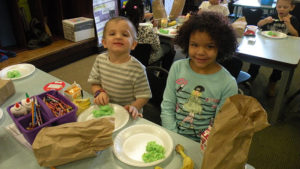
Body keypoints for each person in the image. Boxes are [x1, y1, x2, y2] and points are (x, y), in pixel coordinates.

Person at [160, 12, 238, 142]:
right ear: (187, 43)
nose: (201, 52)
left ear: (221, 47)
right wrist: (173, 136)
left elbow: (221, 124)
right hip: (173, 136)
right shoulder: (177, 68)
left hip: (205, 145)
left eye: (210, 46)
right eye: (194, 45)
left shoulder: (228, 83)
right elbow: (167, 106)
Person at [88, 16, 152, 119]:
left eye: (125, 34)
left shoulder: (138, 69)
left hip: (128, 113)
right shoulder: (100, 60)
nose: (118, 37)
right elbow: (95, 83)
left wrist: (134, 107)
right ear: (104, 42)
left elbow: (144, 96)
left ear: (133, 44)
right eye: (112, 34)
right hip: (106, 108)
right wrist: (99, 92)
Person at [247, 0, 299, 97]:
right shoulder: (271, 16)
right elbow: (258, 24)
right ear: (276, 6)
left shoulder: (293, 19)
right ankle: (250, 78)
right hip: (266, 45)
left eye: (285, 7)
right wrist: (265, 21)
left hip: (283, 48)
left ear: (291, 8)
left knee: (278, 68)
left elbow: (296, 35)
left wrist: (289, 24)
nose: (281, 9)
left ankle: (272, 83)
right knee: (255, 61)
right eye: (279, 7)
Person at [120, 0, 161, 65]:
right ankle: (161, 73)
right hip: (145, 61)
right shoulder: (148, 29)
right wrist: (155, 28)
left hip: (127, 60)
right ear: (142, 14)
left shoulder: (121, 28)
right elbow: (157, 47)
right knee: (168, 48)